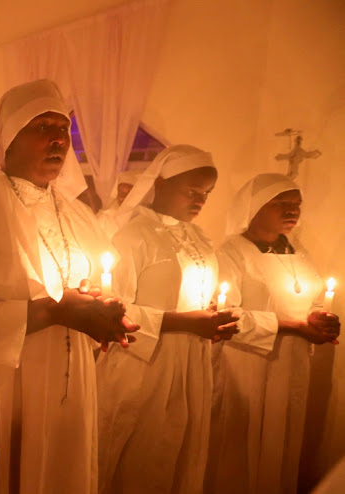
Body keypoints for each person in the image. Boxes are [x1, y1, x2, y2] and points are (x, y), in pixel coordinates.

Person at [0, 79, 137, 493]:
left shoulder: (78, 215)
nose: (57, 139)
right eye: (42, 128)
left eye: (63, 129)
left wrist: (105, 313)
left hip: (69, 385)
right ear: (8, 141)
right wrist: (54, 311)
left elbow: (100, 287)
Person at [96, 144, 240, 494]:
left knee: (178, 452)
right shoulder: (133, 236)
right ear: (159, 185)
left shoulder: (200, 239)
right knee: (139, 454)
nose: (200, 201)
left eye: (206, 194)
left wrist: (214, 319)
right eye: (192, 191)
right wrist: (187, 322)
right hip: (143, 363)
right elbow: (113, 309)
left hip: (191, 361)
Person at [206, 173, 340, 494]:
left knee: (283, 441)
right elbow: (225, 315)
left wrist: (318, 316)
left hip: (293, 364)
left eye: (296, 205)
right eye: (281, 203)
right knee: (241, 446)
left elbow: (312, 298)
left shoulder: (298, 252)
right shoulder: (231, 253)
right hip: (247, 364)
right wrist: (293, 326)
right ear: (254, 207)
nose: (291, 211)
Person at [95, 169, 142, 240]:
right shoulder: (104, 218)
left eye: (128, 193)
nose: (122, 197)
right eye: (120, 192)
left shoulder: (144, 219)